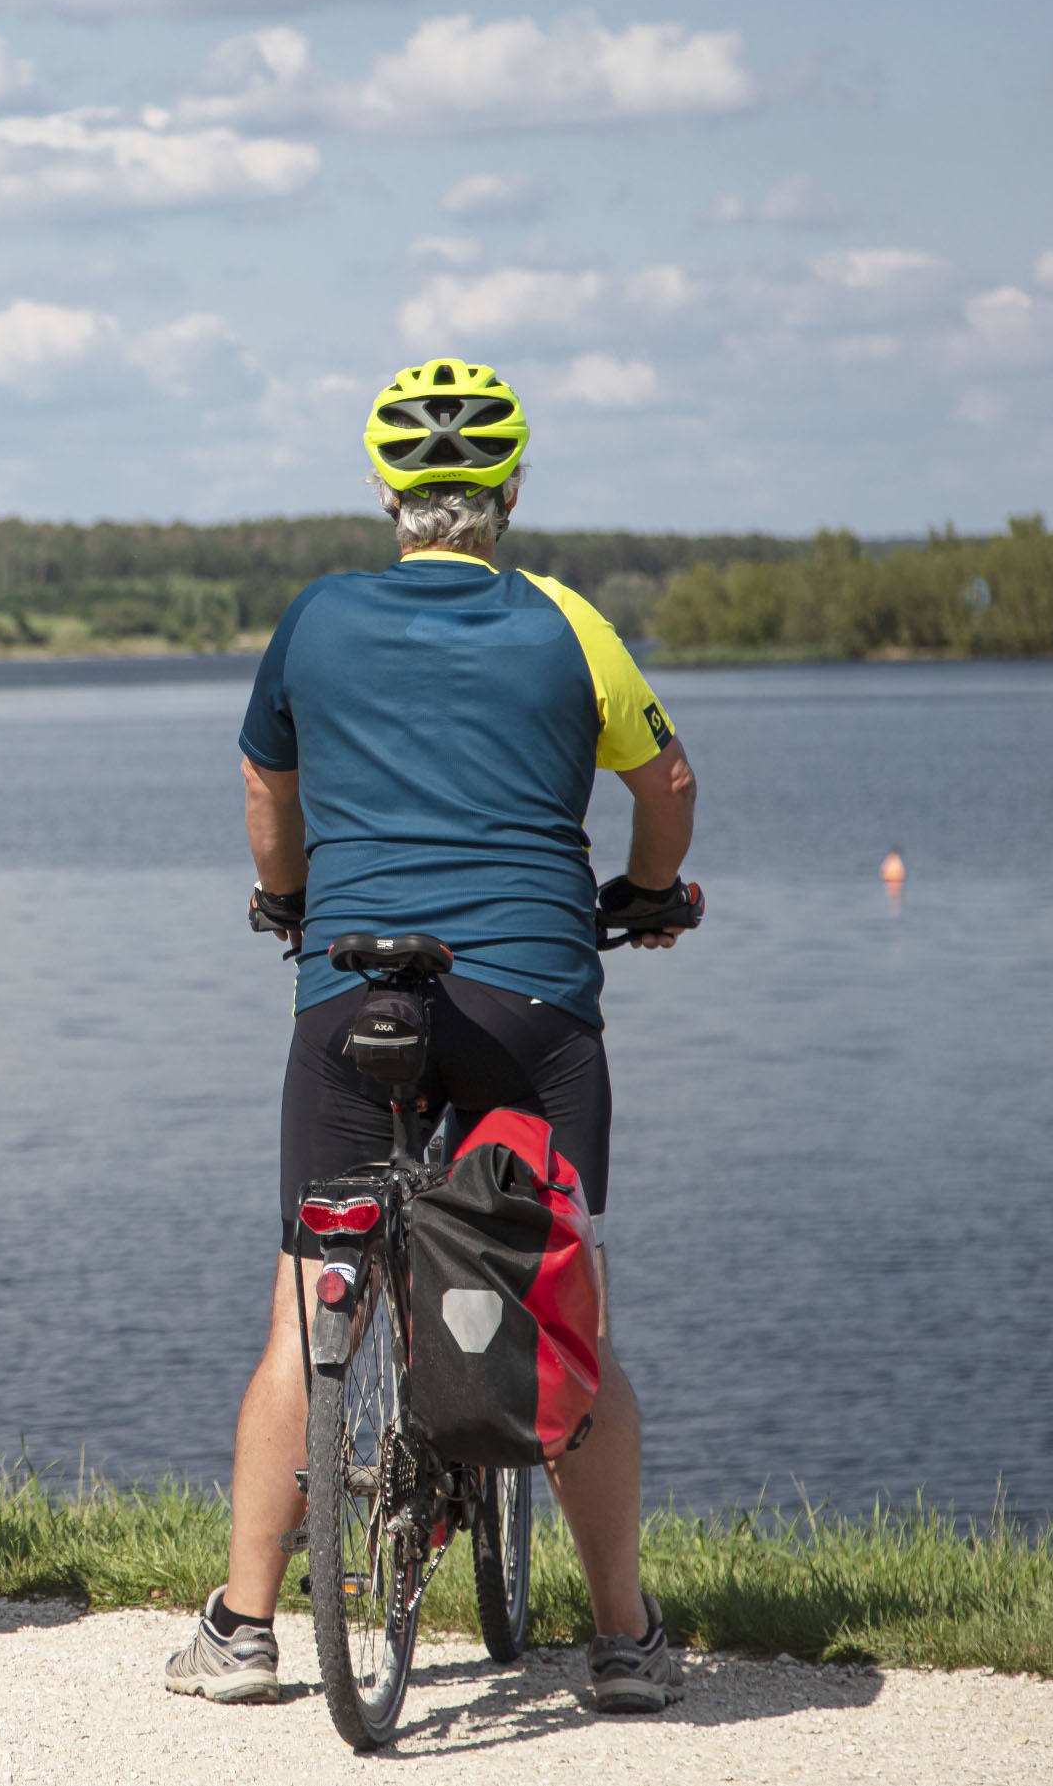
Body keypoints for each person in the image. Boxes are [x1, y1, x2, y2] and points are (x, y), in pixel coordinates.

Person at [164, 360, 699, 1715]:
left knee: (309, 1294)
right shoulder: (569, 621)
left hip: (353, 995)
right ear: (508, 490)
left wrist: (289, 902)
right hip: (530, 1000)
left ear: (389, 493)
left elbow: (262, 783)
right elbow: (666, 782)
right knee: (560, 1305)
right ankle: (625, 1640)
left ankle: (241, 1628)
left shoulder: (315, 620)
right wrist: (639, 894)